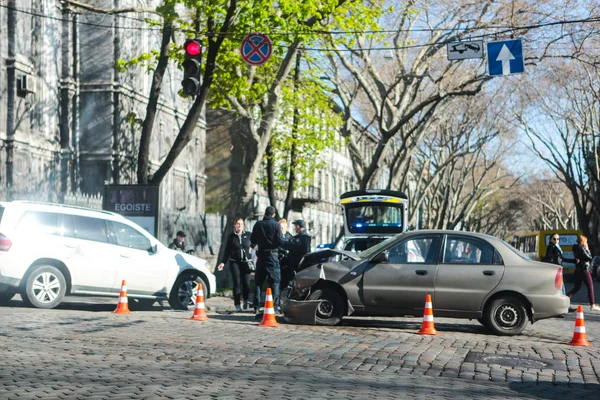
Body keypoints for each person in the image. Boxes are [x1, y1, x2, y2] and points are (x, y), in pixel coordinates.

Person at [251, 206, 283, 315]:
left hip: (261, 256)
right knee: (275, 282)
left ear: (265, 213)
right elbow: (280, 241)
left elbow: (253, 240)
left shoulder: (258, 224)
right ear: (273, 215)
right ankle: (274, 307)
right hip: (272, 256)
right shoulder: (276, 225)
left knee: (259, 283)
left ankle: (256, 307)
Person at [217, 218, 252, 312]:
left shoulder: (248, 235)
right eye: (238, 224)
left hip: (246, 262)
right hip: (234, 262)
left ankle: (245, 300)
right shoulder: (232, 237)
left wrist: (253, 250)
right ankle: (237, 304)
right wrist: (223, 263)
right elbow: (227, 251)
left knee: (246, 283)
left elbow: (254, 244)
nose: (239, 225)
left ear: (244, 225)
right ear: (235, 225)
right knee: (237, 283)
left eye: (241, 224)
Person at [566, 235, 600, 311]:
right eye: (586, 242)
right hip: (584, 270)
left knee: (576, 288)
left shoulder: (575, 248)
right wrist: (587, 248)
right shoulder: (581, 248)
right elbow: (589, 257)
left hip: (578, 270)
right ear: (583, 241)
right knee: (590, 287)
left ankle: (566, 298)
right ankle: (593, 305)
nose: (587, 243)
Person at [280, 219, 311, 290]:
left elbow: (292, 246)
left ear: (298, 226)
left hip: (297, 265)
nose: (294, 228)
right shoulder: (302, 236)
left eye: (295, 226)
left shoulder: (303, 237)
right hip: (296, 264)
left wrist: (281, 242)